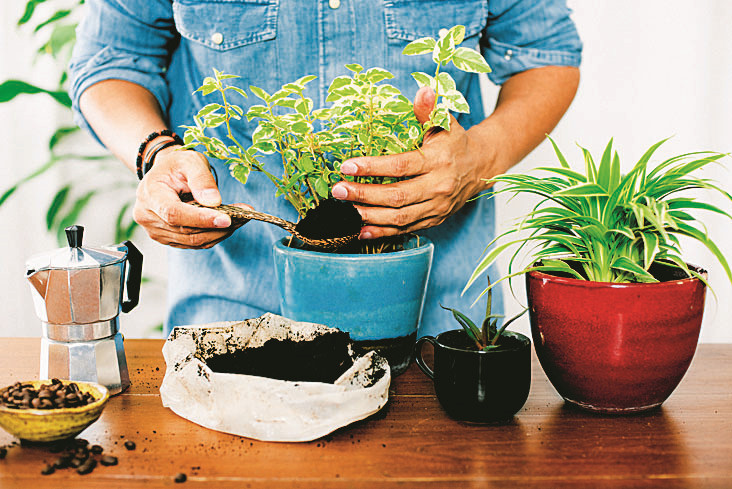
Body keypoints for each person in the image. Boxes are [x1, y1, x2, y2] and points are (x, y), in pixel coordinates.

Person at [69, 0, 582, 337]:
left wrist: (480, 158)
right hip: (235, 318)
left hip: (438, 318)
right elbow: (110, 61)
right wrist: (157, 154)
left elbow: (546, 52)